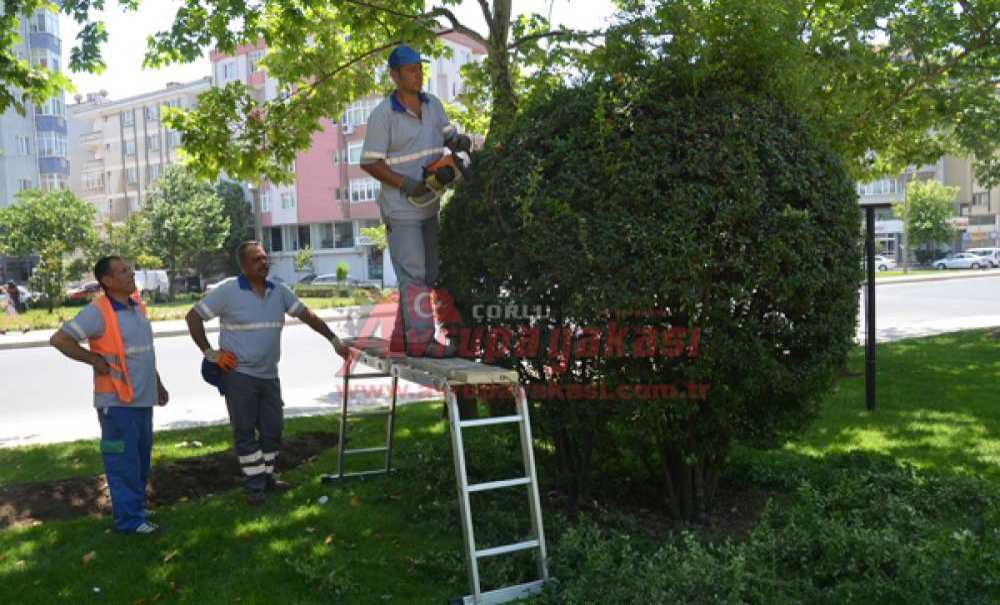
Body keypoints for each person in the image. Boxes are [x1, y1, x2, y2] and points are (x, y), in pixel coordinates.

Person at [185, 241, 350, 505]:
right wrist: (211, 353)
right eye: (256, 260)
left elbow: (307, 315)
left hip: (269, 375)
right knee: (246, 433)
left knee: (273, 431)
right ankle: (255, 489)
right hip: (239, 376)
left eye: (264, 258)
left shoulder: (278, 291)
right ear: (243, 265)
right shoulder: (228, 291)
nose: (263, 263)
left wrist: (334, 341)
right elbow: (193, 318)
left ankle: (267, 478)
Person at [360, 44, 471, 357]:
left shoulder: (432, 104)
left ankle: (402, 337)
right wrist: (406, 184)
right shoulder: (384, 115)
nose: (418, 75)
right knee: (414, 274)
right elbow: (369, 163)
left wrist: (460, 141)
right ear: (394, 75)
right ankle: (422, 342)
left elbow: (447, 133)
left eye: (420, 69)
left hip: (430, 203)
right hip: (401, 208)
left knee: (428, 274)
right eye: (410, 70)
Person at [49, 256, 169, 535]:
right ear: (107, 281)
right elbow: (60, 340)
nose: (130, 274)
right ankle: (129, 521)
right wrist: (93, 359)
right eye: (123, 271)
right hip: (116, 404)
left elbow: (143, 353)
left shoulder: (137, 305)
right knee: (123, 462)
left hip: (141, 398)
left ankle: (135, 509)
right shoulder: (98, 311)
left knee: (139, 459)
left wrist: (157, 384)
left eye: (130, 269)